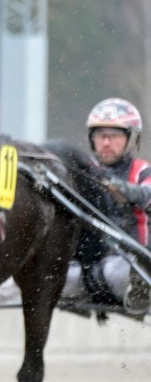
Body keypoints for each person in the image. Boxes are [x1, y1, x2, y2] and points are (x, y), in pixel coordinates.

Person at [61, 97, 151, 314]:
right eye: (101, 136)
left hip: (129, 265)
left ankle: (141, 288)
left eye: (114, 136)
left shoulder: (141, 170)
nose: (106, 143)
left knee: (126, 271)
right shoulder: (82, 172)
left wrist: (123, 190)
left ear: (130, 139)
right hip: (83, 270)